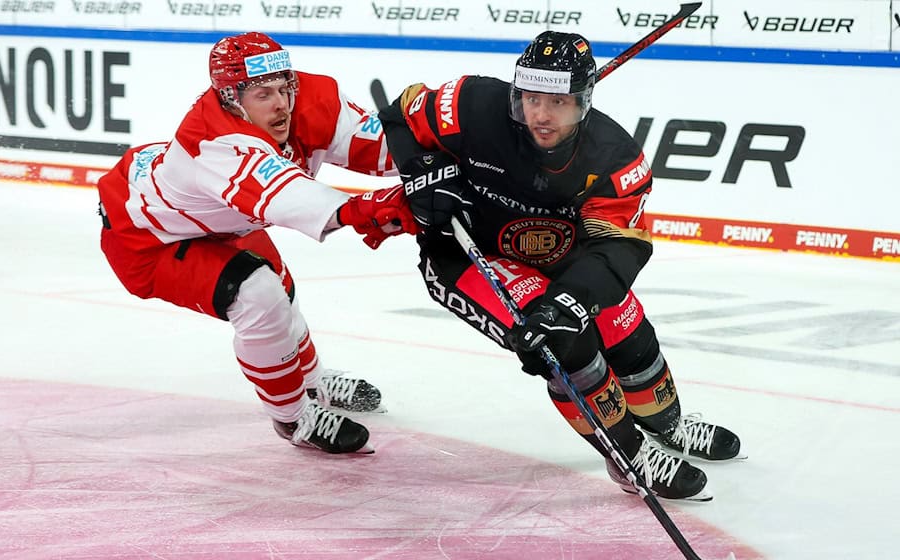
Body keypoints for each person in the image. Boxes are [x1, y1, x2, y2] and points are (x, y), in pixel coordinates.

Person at [379, 31, 742, 500]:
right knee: (567, 347)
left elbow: (620, 248)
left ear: (583, 102)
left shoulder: (614, 157)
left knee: (624, 326)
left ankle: (668, 425)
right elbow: (399, 114)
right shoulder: (471, 105)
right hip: (470, 254)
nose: (541, 115)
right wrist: (420, 167)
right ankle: (628, 453)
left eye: (557, 102)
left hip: (565, 259)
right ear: (516, 94)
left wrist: (570, 300)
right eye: (530, 98)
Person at [97, 32, 417, 455]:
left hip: (221, 220)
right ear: (232, 99)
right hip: (146, 239)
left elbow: (380, 147)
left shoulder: (308, 99)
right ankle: (293, 418)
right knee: (257, 293)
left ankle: (313, 381)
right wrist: (370, 208)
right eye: (264, 93)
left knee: (280, 287)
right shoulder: (212, 143)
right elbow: (291, 197)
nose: (282, 103)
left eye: (285, 87)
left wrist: (445, 144)